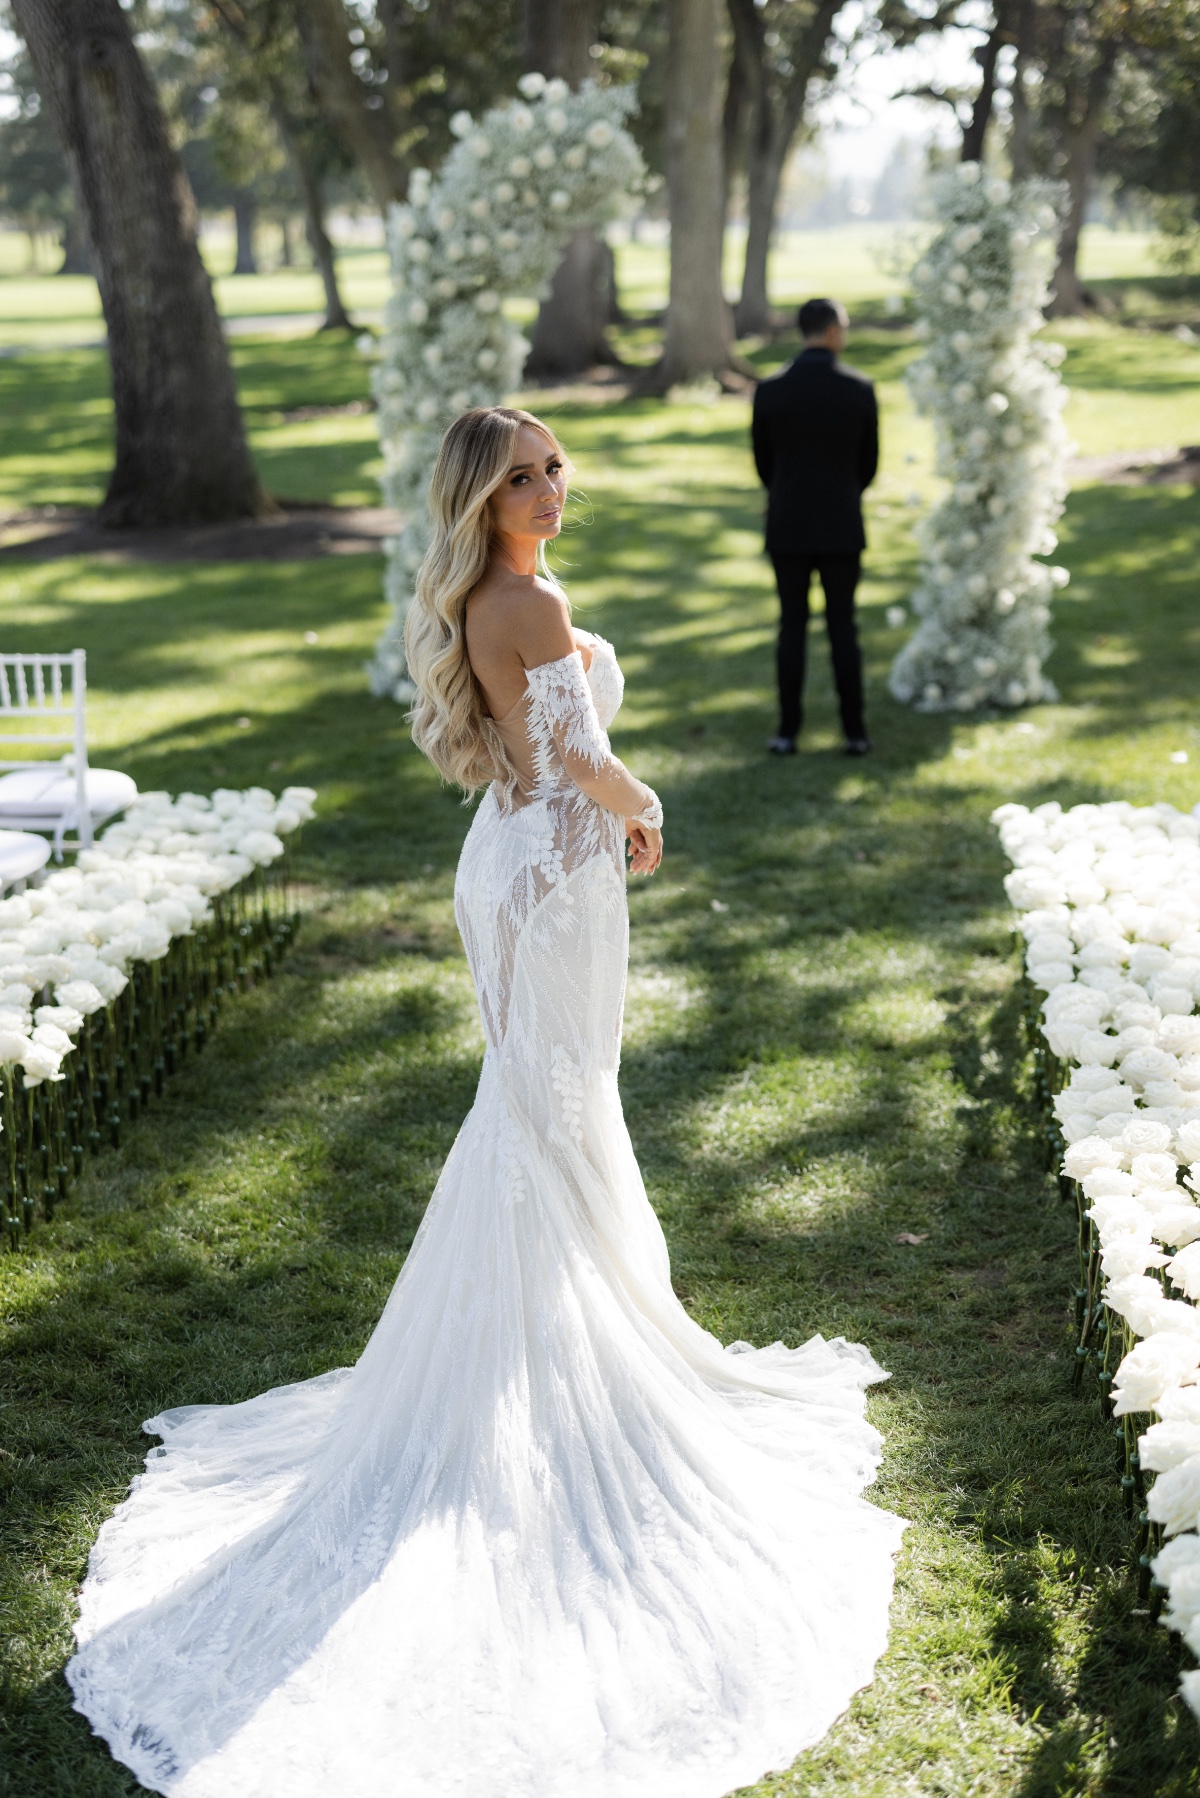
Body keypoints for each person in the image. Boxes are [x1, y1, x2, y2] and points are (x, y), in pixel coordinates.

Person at [66, 407, 903, 1798]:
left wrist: (596, 811)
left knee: (548, 1111)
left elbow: (532, 747)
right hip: (546, 880)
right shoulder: (528, 597)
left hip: (519, 868)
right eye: (523, 474)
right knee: (547, 1112)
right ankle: (536, 1366)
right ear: (481, 494)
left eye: (559, 465)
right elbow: (574, 749)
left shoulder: (479, 593)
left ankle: (540, 1332)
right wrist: (644, 804)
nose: (551, 488)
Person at [752, 297, 878, 757]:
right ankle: (855, 731)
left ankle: (787, 732)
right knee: (843, 625)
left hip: (788, 523)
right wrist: (842, 493)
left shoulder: (770, 389)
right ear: (831, 332)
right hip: (842, 523)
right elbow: (870, 464)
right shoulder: (859, 388)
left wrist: (786, 492)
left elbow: (764, 462)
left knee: (792, 626)